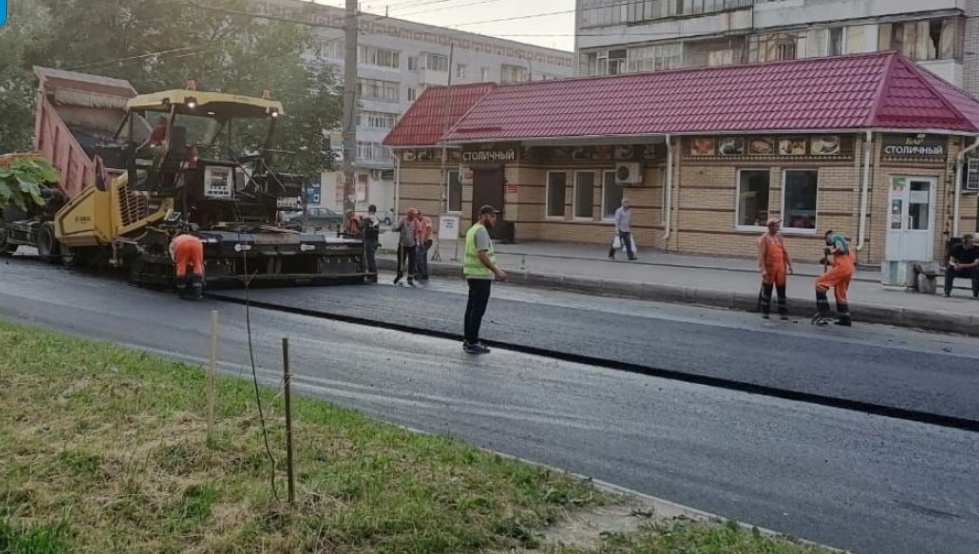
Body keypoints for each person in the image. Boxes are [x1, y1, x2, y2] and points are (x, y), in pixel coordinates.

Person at [463, 205, 508, 354]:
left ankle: (468, 340)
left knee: (471, 309)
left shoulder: (472, 229)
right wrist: (497, 270)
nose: (494, 219)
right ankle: (473, 342)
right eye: (492, 216)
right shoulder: (481, 231)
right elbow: (482, 254)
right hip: (481, 276)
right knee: (477, 310)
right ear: (483, 216)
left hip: (473, 275)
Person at [812, 230, 855, 326]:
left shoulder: (837, 240)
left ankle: (823, 310)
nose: (827, 241)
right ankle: (845, 319)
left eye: (827, 239)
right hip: (849, 269)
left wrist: (830, 252)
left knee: (820, 283)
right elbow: (846, 259)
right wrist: (829, 262)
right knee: (840, 294)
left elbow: (840, 250)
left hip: (843, 268)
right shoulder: (847, 247)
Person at [757, 218, 793, 320]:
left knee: (781, 290)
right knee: (767, 291)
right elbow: (761, 255)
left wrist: (790, 264)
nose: (778, 227)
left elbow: (784, 251)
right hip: (769, 269)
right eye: (776, 226)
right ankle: (765, 311)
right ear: (771, 226)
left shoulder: (779, 237)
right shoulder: (764, 238)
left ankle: (782, 311)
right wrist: (763, 269)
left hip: (780, 268)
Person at [169, 230, 204, 300]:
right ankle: (197, 293)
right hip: (197, 244)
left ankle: (182, 292)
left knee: (181, 266)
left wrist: (175, 261)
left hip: (182, 245)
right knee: (197, 264)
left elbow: (174, 257)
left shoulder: (174, 240)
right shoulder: (192, 237)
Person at [944, 233, 979, 298]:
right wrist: (955, 265)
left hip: (970, 268)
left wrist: (962, 265)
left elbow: (976, 263)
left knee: (976, 271)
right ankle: (947, 292)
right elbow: (951, 260)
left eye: (972, 242)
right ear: (964, 242)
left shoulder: (976, 249)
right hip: (958, 267)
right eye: (970, 242)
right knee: (949, 270)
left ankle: (975, 294)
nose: (971, 244)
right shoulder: (957, 247)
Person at [392, 209, 419, 286]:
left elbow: (418, 231)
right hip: (403, 245)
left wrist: (418, 242)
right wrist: (397, 228)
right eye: (413, 214)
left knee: (412, 262)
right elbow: (396, 228)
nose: (414, 216)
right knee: (401, 261)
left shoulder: (416, 222)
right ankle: (399, 275)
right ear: (409, 214)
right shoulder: (403, 220)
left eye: (415, 214)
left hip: (412, 245)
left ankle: (410, 278)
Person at [363, 204, 381, 282]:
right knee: (371, 258)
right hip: (375, 241)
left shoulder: (368, 219)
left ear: (369, 210)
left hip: (369, 241)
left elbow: (364, 228)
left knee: (370, 259)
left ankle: (373, 275)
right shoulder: (376, 219)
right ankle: (372, 274)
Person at [415, 209, 434, 281]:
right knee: (423, 257)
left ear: (420, 214)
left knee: (419, 256)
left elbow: (429, 229)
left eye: (417, 215)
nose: (416, 217)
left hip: (427, 241)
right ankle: (425, 274)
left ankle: (421, 273)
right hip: (421, 242)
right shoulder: (416, 222)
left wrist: (425, 239)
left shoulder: (426, 220)